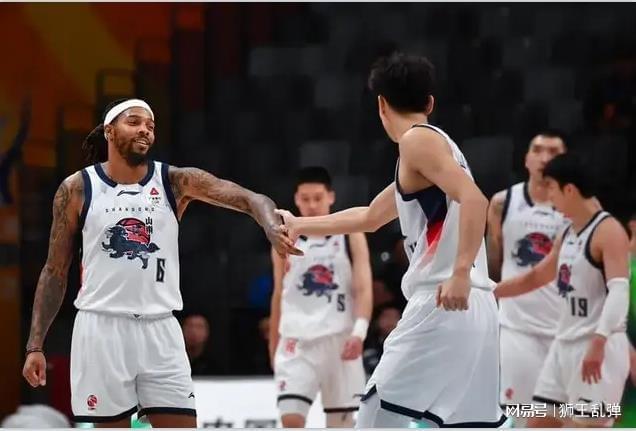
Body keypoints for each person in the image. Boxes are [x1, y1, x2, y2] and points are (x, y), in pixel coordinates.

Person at [21, 98, 301, 428]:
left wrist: (269, 225)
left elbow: (251, 198)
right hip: (101, 329)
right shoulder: (77, 189)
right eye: (134, 122)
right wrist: (35, 344)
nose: (145, 130)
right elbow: (55, 270)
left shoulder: (174, 182)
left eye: (150, 126)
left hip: (161, 328)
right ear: (109, 131)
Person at [276, 52, 505, 428]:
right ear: (429, 103)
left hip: (442, 299)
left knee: (374, 416)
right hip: (475, 307)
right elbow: (370, 217)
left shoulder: (416, 142)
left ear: (381, 104)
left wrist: (460, 271)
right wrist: (301, 224)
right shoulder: (439, 147)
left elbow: (476, 200)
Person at [495, 153, 630, 428]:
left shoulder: (609, 231)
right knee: (537, 423)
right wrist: (486, 292)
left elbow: (619, 292)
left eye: (551, 188)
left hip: (598, 347)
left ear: (569, 189)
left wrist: (599, 343)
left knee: (585, 426)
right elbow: (535, 277)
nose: (548, 196)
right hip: (564, 345)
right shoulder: (567, 233)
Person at [269, 166, 373, 428]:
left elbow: (363, 287)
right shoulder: (283, 238)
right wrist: (273, 344)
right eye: (305, 199)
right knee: (291, 419)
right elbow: (278, 293)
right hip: (296, 342)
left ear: (331, 197)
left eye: (318, 198)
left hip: (340, 340)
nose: (312, 205)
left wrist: (359, 332)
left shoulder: (350, 234)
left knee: (342, 424)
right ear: (296, 200)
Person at [486, 130, 568, 425]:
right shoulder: (502, 202)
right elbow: (494, 264)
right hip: (517, 328)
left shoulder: (579, 207)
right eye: (538, 149)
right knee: (522, 415)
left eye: (553, 152)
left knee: (567, 418)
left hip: (567, 329)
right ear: (526, 158)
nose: (545, 157)